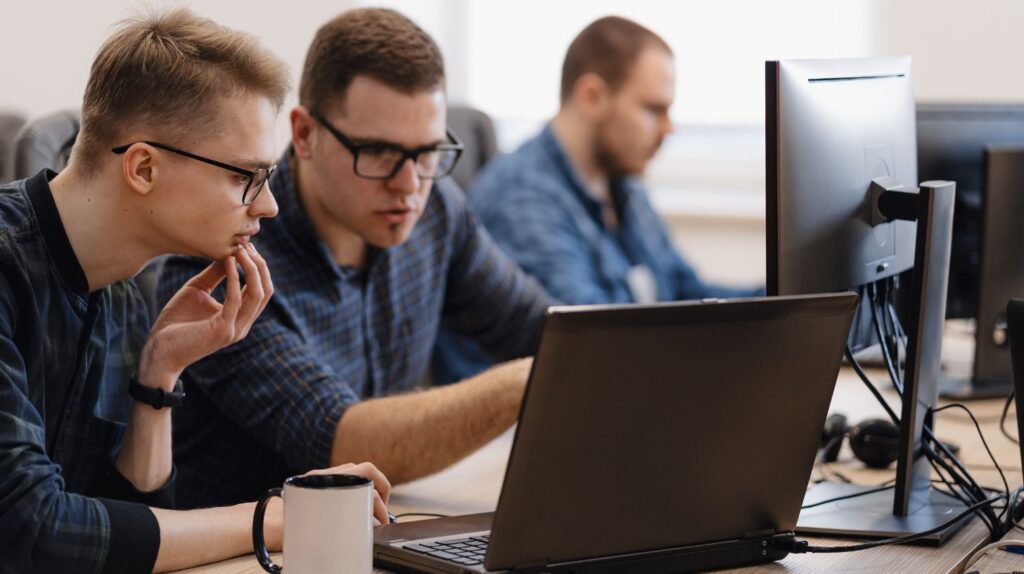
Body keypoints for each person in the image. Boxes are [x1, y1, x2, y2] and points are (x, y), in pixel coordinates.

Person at [0, 9, 389, 573]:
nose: (269, 205)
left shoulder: (128, 284)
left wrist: (158, 376)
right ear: (143, 169)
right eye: (243, 178)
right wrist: (276, 517)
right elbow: (35, 531)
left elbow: (128, 527)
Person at [156, 8, 551, 510]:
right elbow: (341, 444)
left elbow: (541, 327)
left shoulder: (436, 213)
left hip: (366, 534)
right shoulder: (222, 258)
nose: (410, 185)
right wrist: (526, 381)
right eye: (380, 153)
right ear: (304, 134)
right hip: (249, 554)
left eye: (428, 152)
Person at [433, 16, 763, 382]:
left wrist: (787, 299)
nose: (670, 128)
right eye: (653, 109)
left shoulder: (622, 185)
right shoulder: (522, 201)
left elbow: (686, 292)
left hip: (625, 392)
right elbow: (596, 347)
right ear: (592, 97)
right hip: (530, 420)